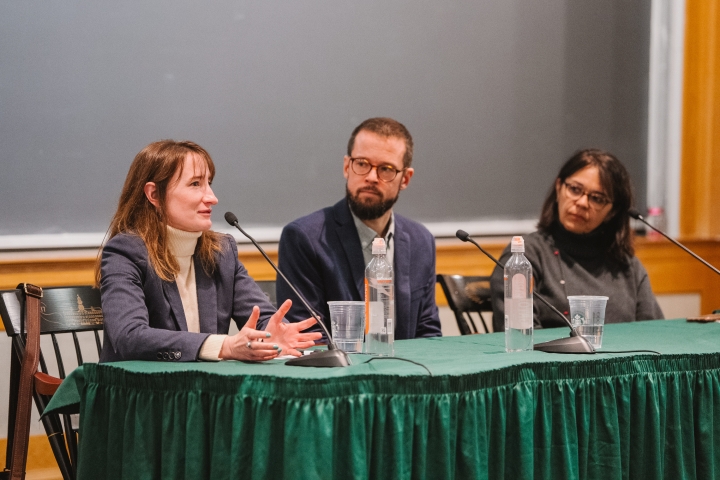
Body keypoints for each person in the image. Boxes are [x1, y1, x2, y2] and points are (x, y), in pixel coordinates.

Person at [96, 140, 321, 362]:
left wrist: (273, 335)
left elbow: (262, 318)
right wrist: (224, 346)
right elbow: (130, 336)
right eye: (195, 184)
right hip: (143, 392)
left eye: (209, 183)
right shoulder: (125, 253)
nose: (212, 198)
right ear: (154, 194)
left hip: (206, 391)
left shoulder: (221, 253)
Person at [277, 117, 442, 339]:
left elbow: (428, 333)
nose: (372, 177)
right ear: (347, 167)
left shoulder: (421, 241)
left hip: (407, 371)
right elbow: (309, 339)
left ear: (405, 179)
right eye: (362, 164)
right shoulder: (305, 238)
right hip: (340, 372)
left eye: (386, 169)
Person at [490, 148, 664, 330]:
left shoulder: (627, 265)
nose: (581, 203)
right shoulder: (525, 257)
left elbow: (654, 334)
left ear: (611, 212)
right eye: (574, 189)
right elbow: (521, 338)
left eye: (597, 198)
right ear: (559, 188)